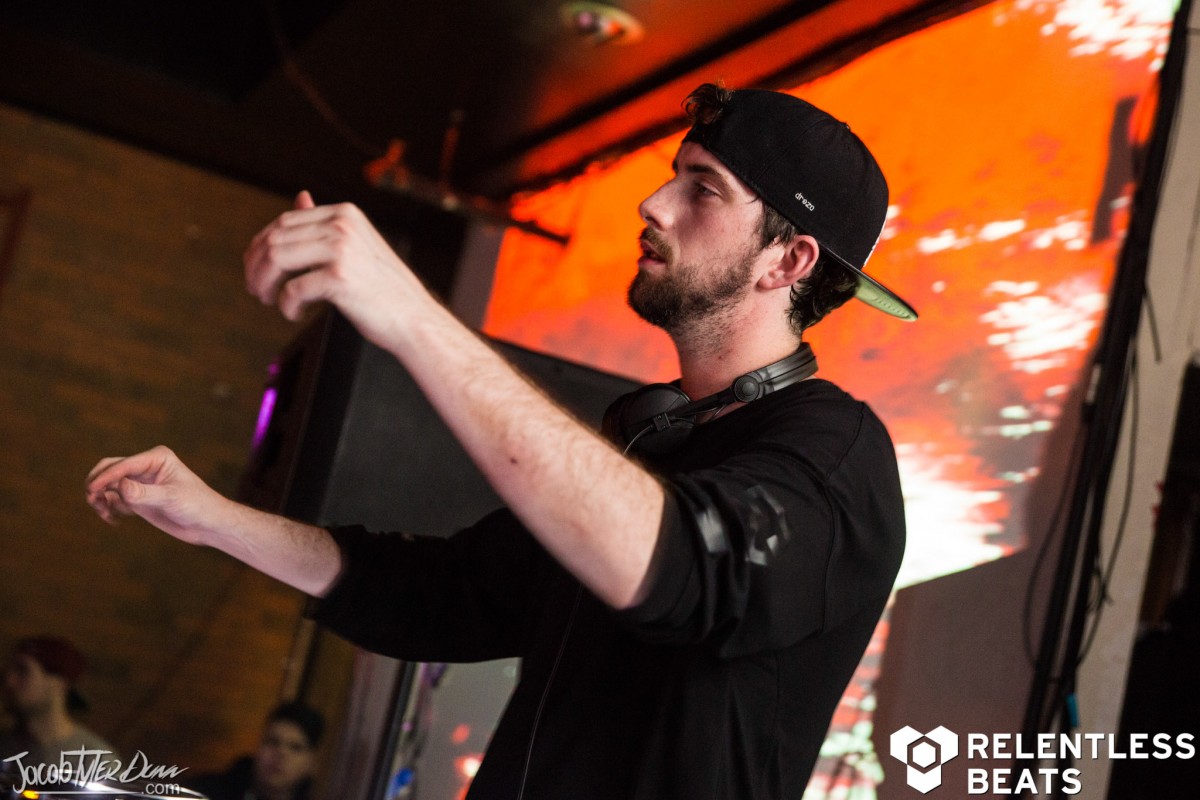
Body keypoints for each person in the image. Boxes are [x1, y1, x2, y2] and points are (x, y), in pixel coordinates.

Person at [85, 84, 912, 799]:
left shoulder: (838, 456)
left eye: (703, 189)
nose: (655, 205)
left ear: (788, 261)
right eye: (673, 176)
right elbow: (447, 594)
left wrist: (407, 313)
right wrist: (216, 520)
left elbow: (678, 564)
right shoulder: (656, 436)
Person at [0, 636, 117, 768]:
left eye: (23, 671)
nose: (8, 682)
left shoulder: (93, 761)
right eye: (6, 672)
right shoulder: (4, 747)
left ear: (58, 682)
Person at [189, 702, 323, 800]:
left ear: (311, 762)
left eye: (295, 748)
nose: (281, 753)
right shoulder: (205, 791)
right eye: (272, 742)